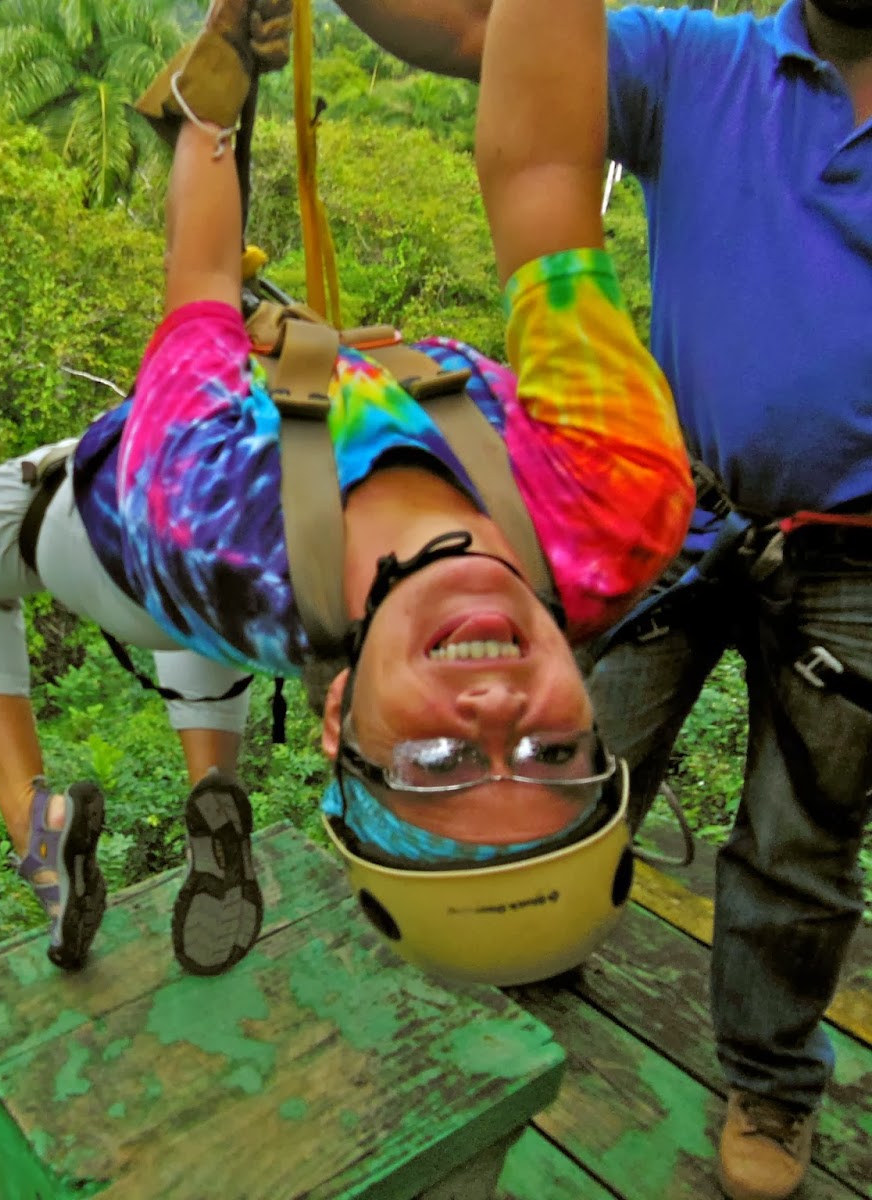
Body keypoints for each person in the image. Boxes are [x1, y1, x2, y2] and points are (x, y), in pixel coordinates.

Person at [0, 0, 692, 989]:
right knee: (235, 616)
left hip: (122, 547)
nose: (495, 705)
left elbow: (193, 282)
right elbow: (544, 173)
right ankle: (215, 799)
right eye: (553, 747)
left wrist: (215, 94)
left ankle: (34, 833)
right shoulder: (616, 502)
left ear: (342, 723)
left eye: (439, 764)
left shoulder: (195, 510)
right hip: (269, 547)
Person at [324, 1, 872, 1196]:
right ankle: (543, 928)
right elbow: (477, 30)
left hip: (860, 560)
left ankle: (772, 1081)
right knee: (572, 741)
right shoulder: (700, 62)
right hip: (680, 510)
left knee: (801, 838)